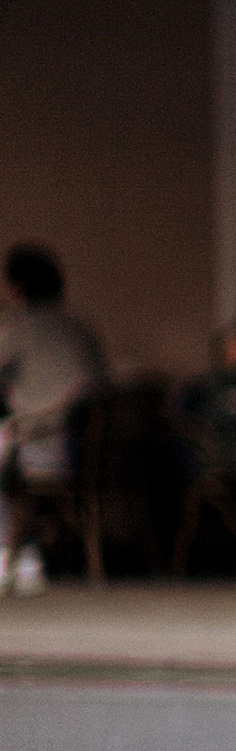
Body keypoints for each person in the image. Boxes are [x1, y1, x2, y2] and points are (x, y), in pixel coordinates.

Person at [0, 244, 105, 593]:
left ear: (16, 288)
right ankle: (24, 552)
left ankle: (14, 553)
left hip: (46, 444)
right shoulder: (79, 327)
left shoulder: (21, 328)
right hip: (89, 447)